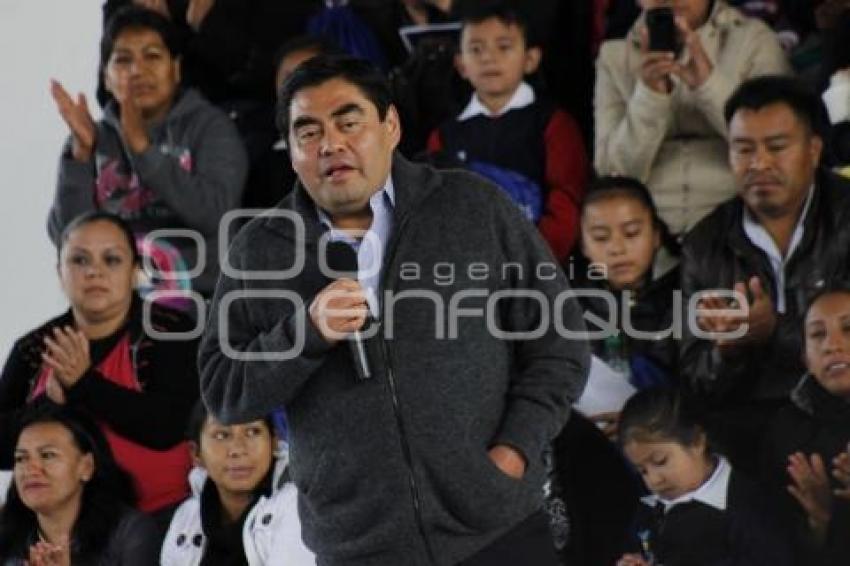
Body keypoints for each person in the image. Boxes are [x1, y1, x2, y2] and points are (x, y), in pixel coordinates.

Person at [199, 54, 590, 566]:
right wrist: (308, 332)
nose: (331, 144)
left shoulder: (472, 207)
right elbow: (223, 388)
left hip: (498, 532)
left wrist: (514, 450)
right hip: (359, 547)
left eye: (349, 121)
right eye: (308, 131)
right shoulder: (260, 250)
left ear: (391, 126)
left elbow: (559, 347)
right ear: (292, 151)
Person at [680, 75, 850, 474]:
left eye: (776, 147)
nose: (759, 164)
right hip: (746, 424)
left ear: (813, 149)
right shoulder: (704, 243)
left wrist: (774, 329)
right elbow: (694, 378)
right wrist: (726, 351)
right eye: (743, 149)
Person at [0, 211, 199, 520]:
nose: (94, 272)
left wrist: (83, 386)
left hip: (161, 518)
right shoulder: (33, 349)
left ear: (134, 271)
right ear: (59, 272)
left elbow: (167, 427)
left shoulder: (171, 329)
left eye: (112, 260)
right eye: (80, 261)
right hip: (62, 527)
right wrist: (48, 404)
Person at [48, 6, 248, 301]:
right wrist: (80, 157)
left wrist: (144, 152)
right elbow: (68, 239)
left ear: (176, 69)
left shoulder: (210, 127)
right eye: (123, 60)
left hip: (198, 301)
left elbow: (216, 214)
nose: (137, 71)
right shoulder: (91, 137)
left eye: (152, 56)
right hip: (115, 304)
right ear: (105, 77)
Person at [594, 0, 790, 235]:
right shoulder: (613, 55)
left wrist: (708, 85)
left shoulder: (754, 40)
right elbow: (614, 175)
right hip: (645, 230)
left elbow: (776, 146)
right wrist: (650, 96)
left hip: (741, 220)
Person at [427, 2, 588, 263]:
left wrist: (531, 261)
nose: (489, 58)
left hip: (539, 268)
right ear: (461, 64)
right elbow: (441, 209)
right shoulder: (444, 137)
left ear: (531, 59)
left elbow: (566, 200)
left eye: (504, 47)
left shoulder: (554, 123)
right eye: (476, 49)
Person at [616, 387, 793, 566]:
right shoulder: (650, 509)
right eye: (642, 471)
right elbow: (639, 547)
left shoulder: (749, 510)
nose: (654, 480)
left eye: (661, 461)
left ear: (697, 441)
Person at [0, 404, 160, 565]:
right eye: (21, 458)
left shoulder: (130, 533)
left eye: (48, 455)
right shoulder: (7, 537)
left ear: (87, 466)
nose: (31, 469)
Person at [759, 285, 850, 565]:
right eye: (817, 334)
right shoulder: (786, 431)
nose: (831, 345)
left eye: (848, 329)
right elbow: (778, 544)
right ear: (805, 359)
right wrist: (820, 519)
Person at [161, 402, 314, 565]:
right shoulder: (186, 517)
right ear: (196, 453)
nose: (238, 449)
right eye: (221, 435)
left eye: (252, 432)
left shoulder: (297, 506)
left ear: (274, 442)